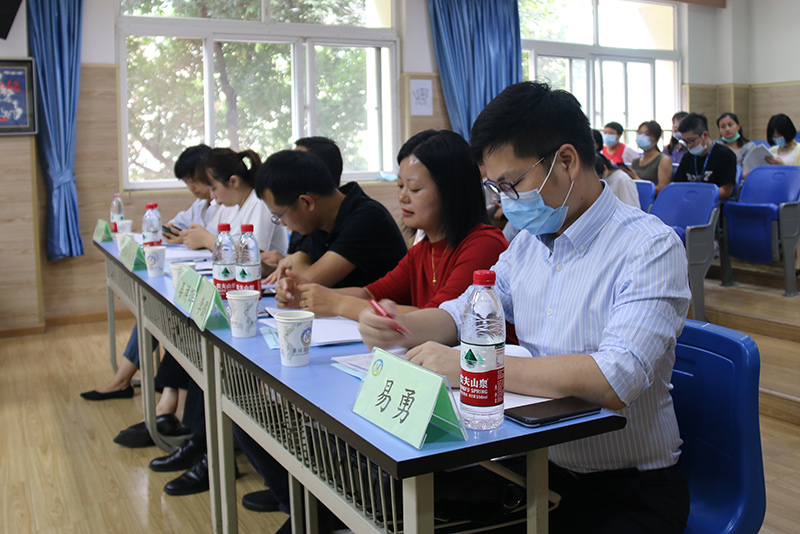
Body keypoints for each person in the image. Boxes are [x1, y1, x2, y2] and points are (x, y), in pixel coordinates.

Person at [359, 81, 692, 534]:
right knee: (391, 505)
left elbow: (615, 378)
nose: (505, 200)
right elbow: (465, 311)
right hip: (536, 468)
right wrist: (401, 325)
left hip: (626, 490)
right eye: (495, 187)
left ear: (567, 161)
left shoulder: (649, 247)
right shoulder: (528, 245)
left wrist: (474, 368)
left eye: (512, 184)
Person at [290, 129, 509, 321]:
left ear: (452, 192)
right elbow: (370, 293)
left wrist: (339, 304)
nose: (403, 197)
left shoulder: (484, 245)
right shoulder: (422, 251)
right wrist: (308, 294)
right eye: (400, 186)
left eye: (414, 189)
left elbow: (438, 318)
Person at [80, 144, 216, 401]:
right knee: (153, 309)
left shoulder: (226, 205)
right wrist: (181, 235)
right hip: (193, 274)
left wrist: (198, 239)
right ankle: (131, 382)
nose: (191, 187)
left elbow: (222, 244)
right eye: (186, 182)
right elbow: (172, 227)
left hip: (209, 282)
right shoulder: (201, 204)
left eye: (193, 180)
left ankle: (148, 391)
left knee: (160, 313)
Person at [261, 149, 407, 300]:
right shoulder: (316, 219)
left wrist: (299, 258)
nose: (283, 223)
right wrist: (272, 269)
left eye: (280, 215)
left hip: (386, 313)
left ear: (306, 202)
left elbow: (303, 286)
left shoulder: (367, 219)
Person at [179, 147, 288, 259]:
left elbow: (252, 257)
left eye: (214, 189)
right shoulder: (230, 207)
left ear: (233, 181)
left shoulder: (259, 202)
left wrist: (207, 240)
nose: (212, 196)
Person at [673, 112, 737, 200]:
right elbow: (678, 186)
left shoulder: (725, 155)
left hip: (713, 202)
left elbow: (726, 191)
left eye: (691, 141)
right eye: (685, 142)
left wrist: (699, 196)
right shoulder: (687, 157)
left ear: (705, 135)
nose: (688, 146)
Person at [630, 120, 673, 194]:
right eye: (640, 133)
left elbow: (662, 190)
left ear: (656, 139)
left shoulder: (663, 160)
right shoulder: (635, 161)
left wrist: (637, 178)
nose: (642, 137)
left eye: (647, 134)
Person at [717, 112, 757, 178]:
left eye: (730, 125)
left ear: (738, 126)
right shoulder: (716, 147)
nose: (727, 129)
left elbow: (747, 172)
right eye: (723, 127)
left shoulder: (749, 147)